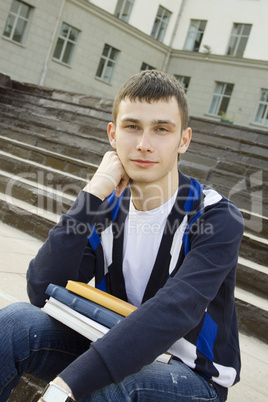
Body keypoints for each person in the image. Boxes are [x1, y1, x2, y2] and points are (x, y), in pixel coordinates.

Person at [0, 70, 244, 402]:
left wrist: (67, 384)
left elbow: (174, 311)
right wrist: (91, 194)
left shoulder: (214, 216)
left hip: (190, 374)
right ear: (113, 135)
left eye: (161, 129)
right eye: (132, 127)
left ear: (183, 140)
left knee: (112, 387)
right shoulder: (105, 207)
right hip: (106, 341)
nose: (144, 145)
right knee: (13, 324)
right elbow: (42, 289)